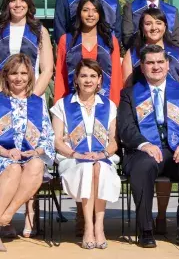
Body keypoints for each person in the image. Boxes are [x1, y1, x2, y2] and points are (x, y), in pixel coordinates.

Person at [118, 45, 179, 248]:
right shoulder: (130, 94)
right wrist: (144, 144)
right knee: (144, 165)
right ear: (143, 67)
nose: (156, 67)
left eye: (160, 62)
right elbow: (126, 128)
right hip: (143, 152)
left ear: (167, 64)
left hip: (176, 150)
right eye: (150, 63)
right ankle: (146, 229)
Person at [0, 0, 54, 239]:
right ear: (7, 4)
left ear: (29, 3)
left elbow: (47, 68)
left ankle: (9, 217)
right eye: (13, 0)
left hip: (30, 100)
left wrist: (31, 95)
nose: (18, 4)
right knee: (11, 159)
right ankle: (7, 220)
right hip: (2, 99)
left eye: (22, 0)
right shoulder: (0, 29)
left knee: (31, 155)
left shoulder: (39, 30)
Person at [51, 59, 120, 249]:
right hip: (72, 158)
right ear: (76, 79)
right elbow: (57, 140)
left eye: (92, 76)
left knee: (98, 167)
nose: (88, 80)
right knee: (88, 168)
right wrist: (75, 153)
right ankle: (89, 227)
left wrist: (103, 153)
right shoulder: (62, 105)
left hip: (101, 157)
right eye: (83, 76)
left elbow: (114, 141)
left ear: (99, 80)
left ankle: (99, 226)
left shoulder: (109, 105)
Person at [0, 54, 55, 252]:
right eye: (14, 73)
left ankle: (5, 217)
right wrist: (6, 152)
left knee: (37, 164)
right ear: (6, 76)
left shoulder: (37, 103)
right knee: (14, 169)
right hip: (3, 157)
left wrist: (36, 150)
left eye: (23, 73)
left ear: (30, 76)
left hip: (28, 155)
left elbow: (48, 139)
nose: (19, 78)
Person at [54, 0, 122, 106]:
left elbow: (116, 77)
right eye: (85, 10)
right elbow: (61, 76)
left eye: (95, 10)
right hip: (73, 102)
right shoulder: (66, 40)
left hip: (104, 103)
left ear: (100, 14)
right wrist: (59, 104)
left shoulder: (110, 41)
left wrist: (114, 105)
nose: (90, 15)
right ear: (79, 13)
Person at [122, 8, 179, 87]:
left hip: (173, 98)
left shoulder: (177, 52)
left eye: (158, 23)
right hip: (142, 99)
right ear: (142, 28)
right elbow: (128, 88)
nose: (154, 28)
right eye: (148, 24)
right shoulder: (132, 53)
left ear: (165, 26)